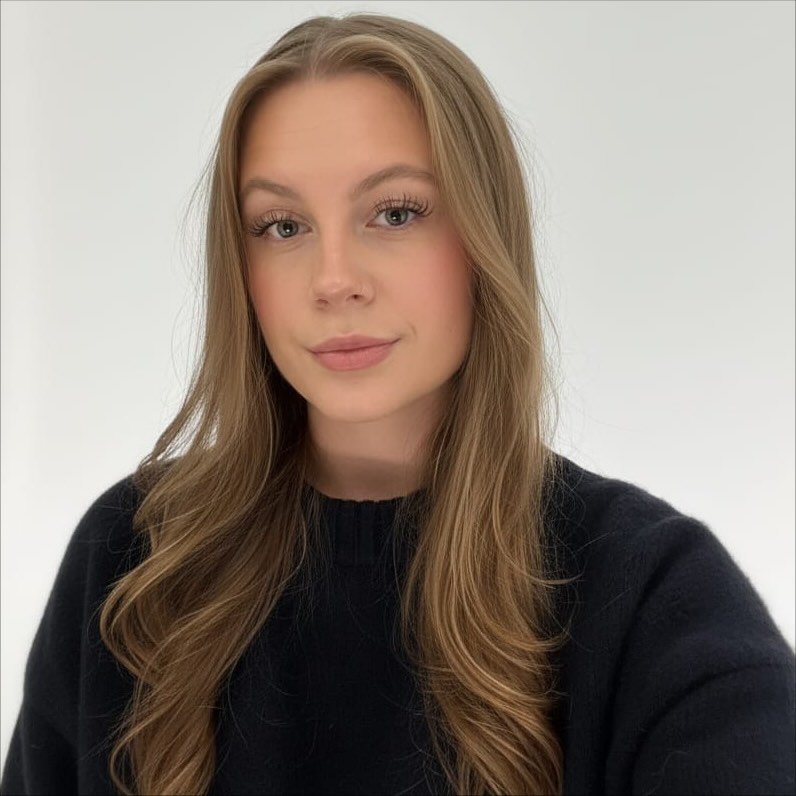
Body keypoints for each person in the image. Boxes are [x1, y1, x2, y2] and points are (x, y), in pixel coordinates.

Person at [1, 12, 793, 796]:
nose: (333, 279)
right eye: (282, 225)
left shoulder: (653, 593)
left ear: (485, 235)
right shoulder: (134, 564)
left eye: (396, 212)